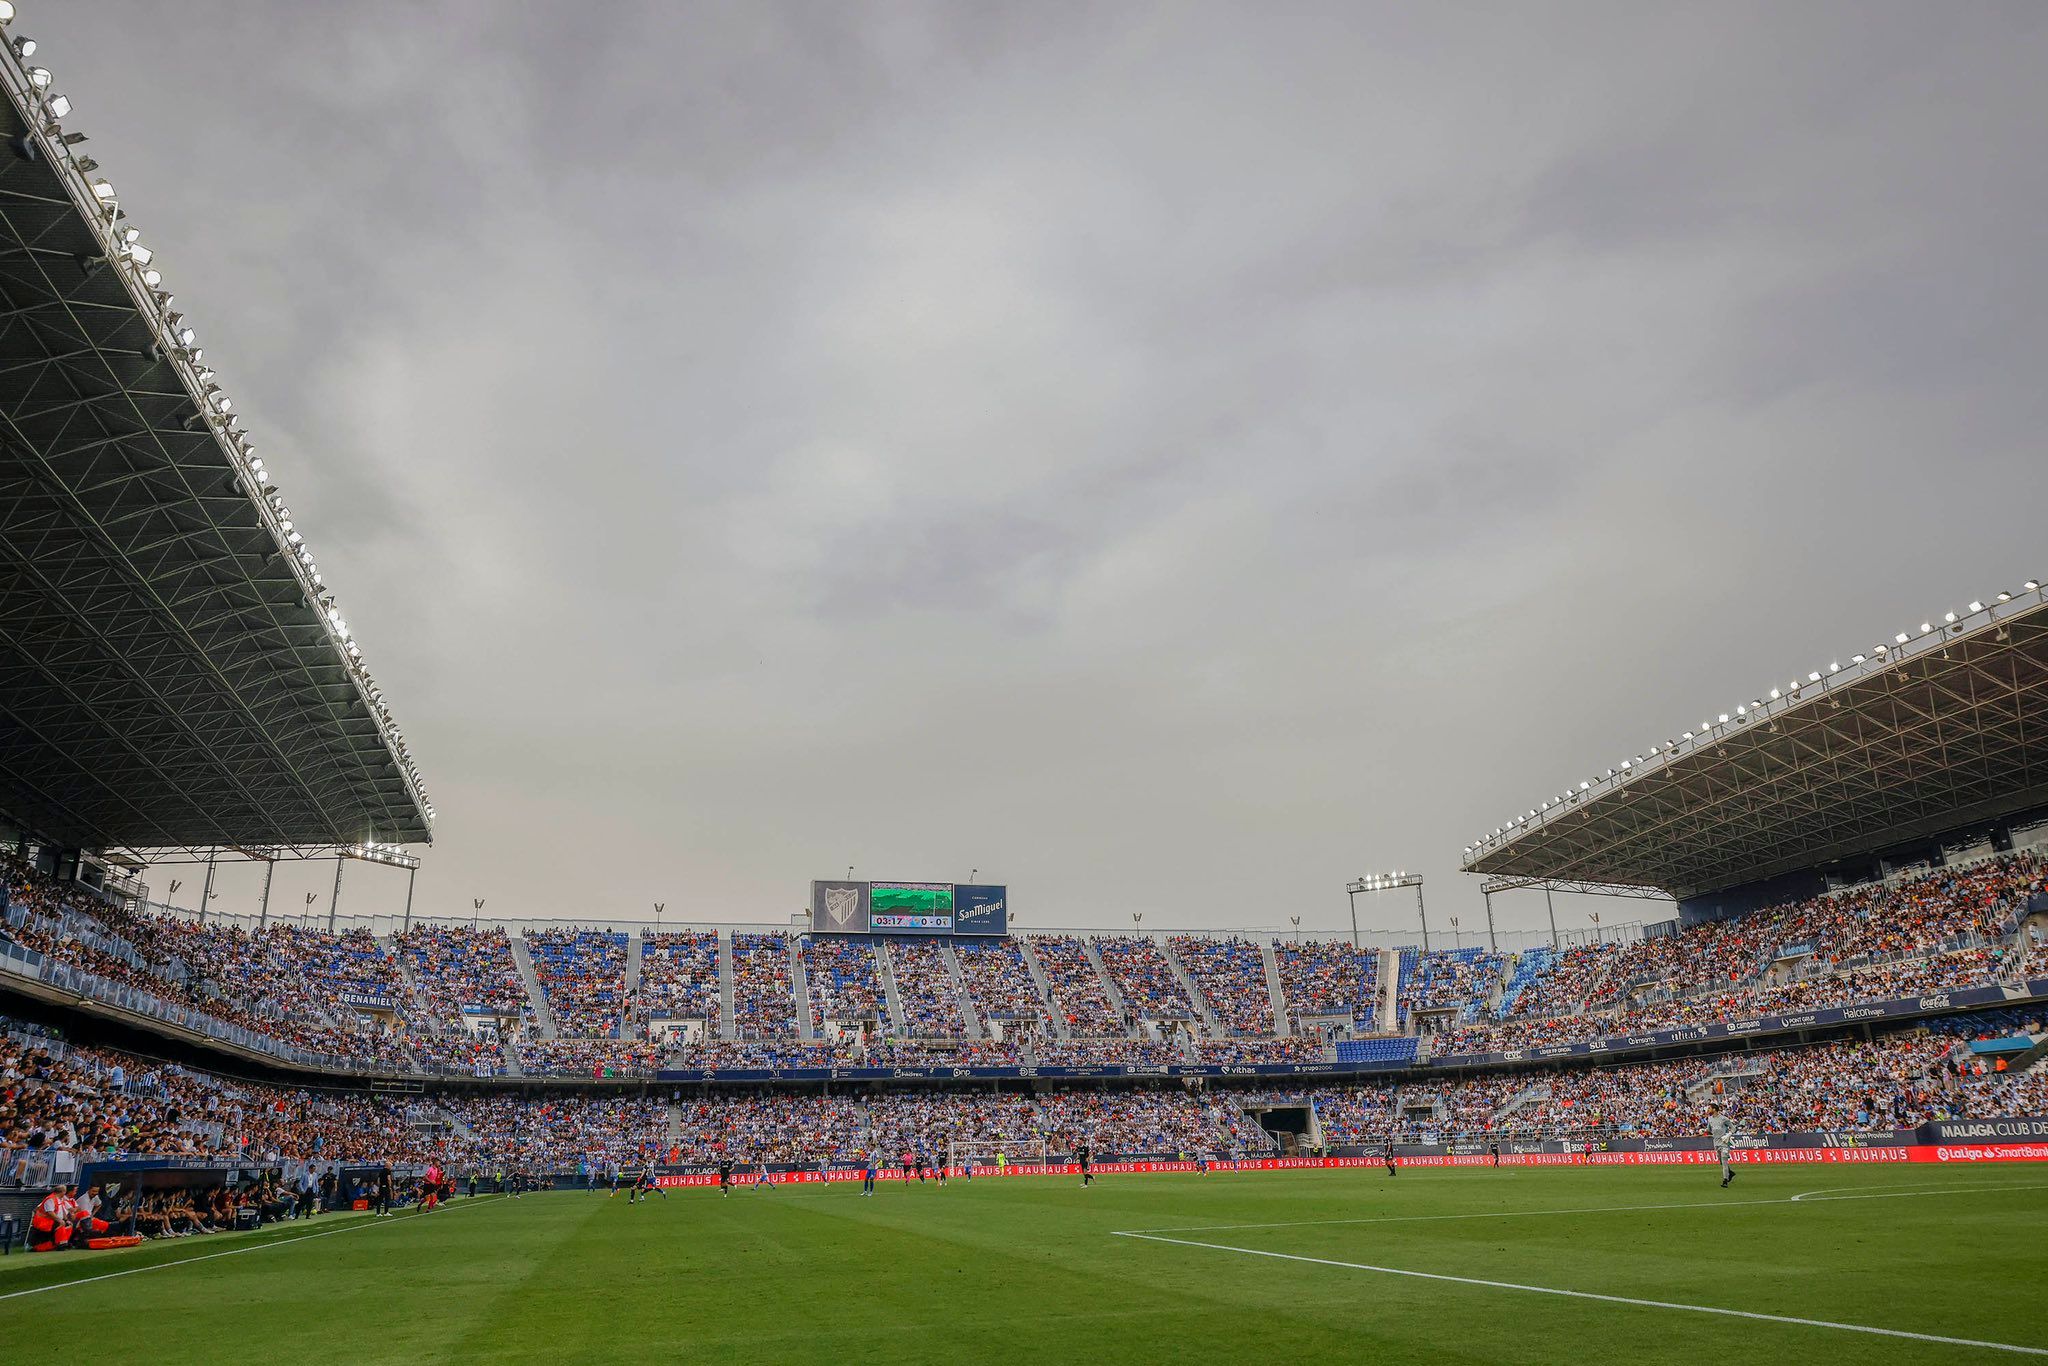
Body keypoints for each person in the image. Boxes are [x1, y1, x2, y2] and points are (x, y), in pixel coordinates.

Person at [1708, 1106, 1738, 1188]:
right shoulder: (1710, 1119)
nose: (1708, 1110)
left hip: (1724, 1143)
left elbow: (1733, 1128)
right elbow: (1709, 1129)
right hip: (1716, 1143)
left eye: (1709, 1108)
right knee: (1720, 1161)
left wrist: (1728, 1134)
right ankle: (1730, 1172)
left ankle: (1725, 1180)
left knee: (1724, 1162)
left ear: (1714, 1109)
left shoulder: (1724, 1119)